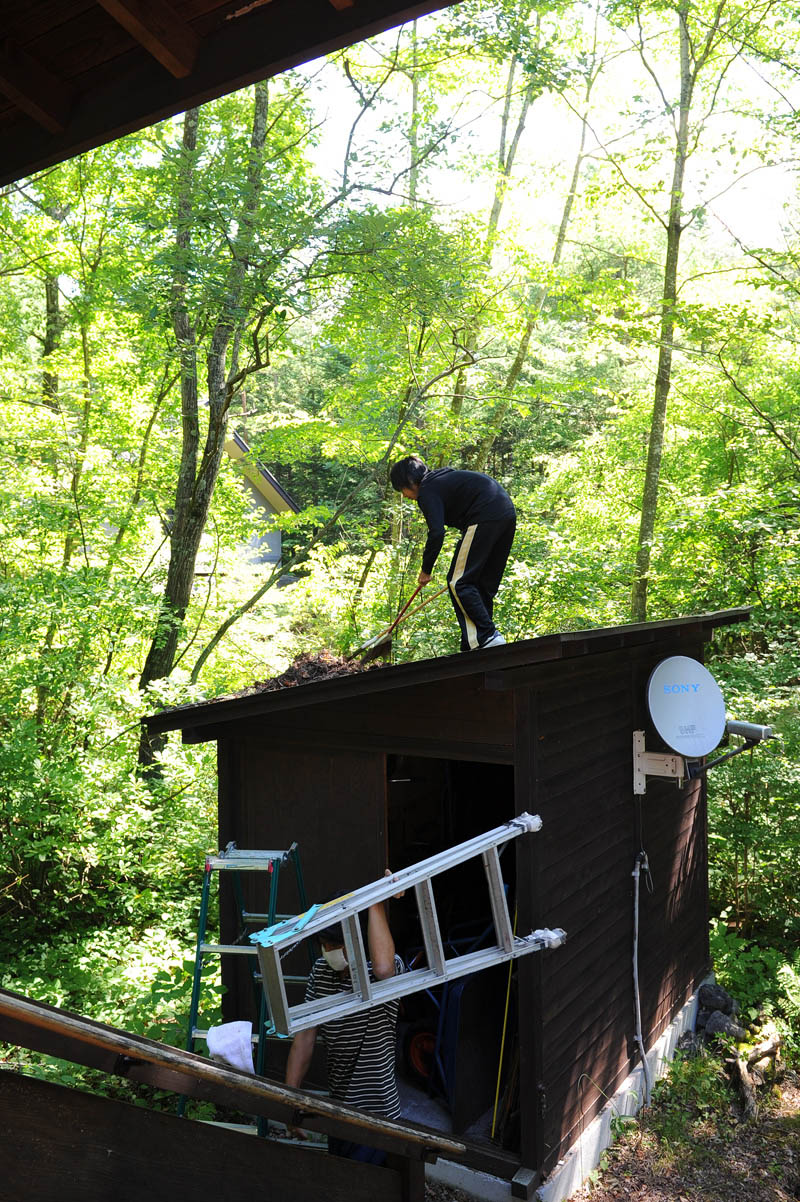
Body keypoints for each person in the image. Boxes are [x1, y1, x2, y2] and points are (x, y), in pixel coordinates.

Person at [284, 874, 405, 1164]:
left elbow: (385, 967)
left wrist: (376, 901)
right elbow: (305, 1038)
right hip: (337, 1110)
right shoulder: (320, 973)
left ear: (358, 938)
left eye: (335, 944)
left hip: (376, 1113)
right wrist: (289, 1102)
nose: (329, 952)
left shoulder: (381, 975)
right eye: (324, 944)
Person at [389, 454, 516, 652]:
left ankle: (487, 636)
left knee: (459, 582)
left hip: (484, 515)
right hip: (506, 514)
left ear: (410, 481)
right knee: (480, 585)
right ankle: (473, 644)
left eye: (402, 490)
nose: (404, 495)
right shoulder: (441, 480)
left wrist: (426, 570)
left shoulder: (427, 490)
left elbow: (437, 532)